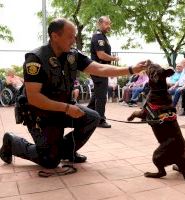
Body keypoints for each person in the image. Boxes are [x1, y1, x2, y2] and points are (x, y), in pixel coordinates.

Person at [0, 18, 147, 169]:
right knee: (49, 160)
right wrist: (67, 108)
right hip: (40, 113)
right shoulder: (35, 58)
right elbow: (34, 98)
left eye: (75, 36)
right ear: (55, 36)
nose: (74, 40)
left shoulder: (73, 55)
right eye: (70, 36)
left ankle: (66, 151)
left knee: (92, 118)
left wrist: (130, 70)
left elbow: (100, 69)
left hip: (63, 107)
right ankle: (12, 142)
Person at [87, 16, 119, 128]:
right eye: (106, 23)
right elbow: (101, 55)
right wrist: (113, 58)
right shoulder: (98, 37)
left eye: (109, 23)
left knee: (97, 94)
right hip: (99, 69)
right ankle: (100, 120)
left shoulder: (103, 37)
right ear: (100, 23)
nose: (109, 26)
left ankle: (87, 115)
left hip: (100, 69)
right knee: (101, 96)